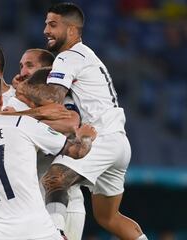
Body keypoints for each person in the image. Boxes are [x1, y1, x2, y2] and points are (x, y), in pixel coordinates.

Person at [29, 3, 147, 239]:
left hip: (99, 137)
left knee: (54, 178)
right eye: (45, 24)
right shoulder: (87, 55)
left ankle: (55, 234)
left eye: (53, 25)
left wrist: (22, 94)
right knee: (108, 217)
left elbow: (53, 98)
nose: (45, 30)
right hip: (118, 142)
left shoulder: (68, 56)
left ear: (72, 30)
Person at [0, 71, 97, 240]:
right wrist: (86, 136)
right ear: (0, 100)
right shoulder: (22, 123)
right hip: (39, 231)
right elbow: (77, 152)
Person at [8, 50, 87, 239]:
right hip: (30, 205)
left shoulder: (67, 99)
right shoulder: (15, 101)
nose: (24, 72)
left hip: (66, 204)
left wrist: (17, 120)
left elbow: (70, 124)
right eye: (21, 66)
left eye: (30, 65)